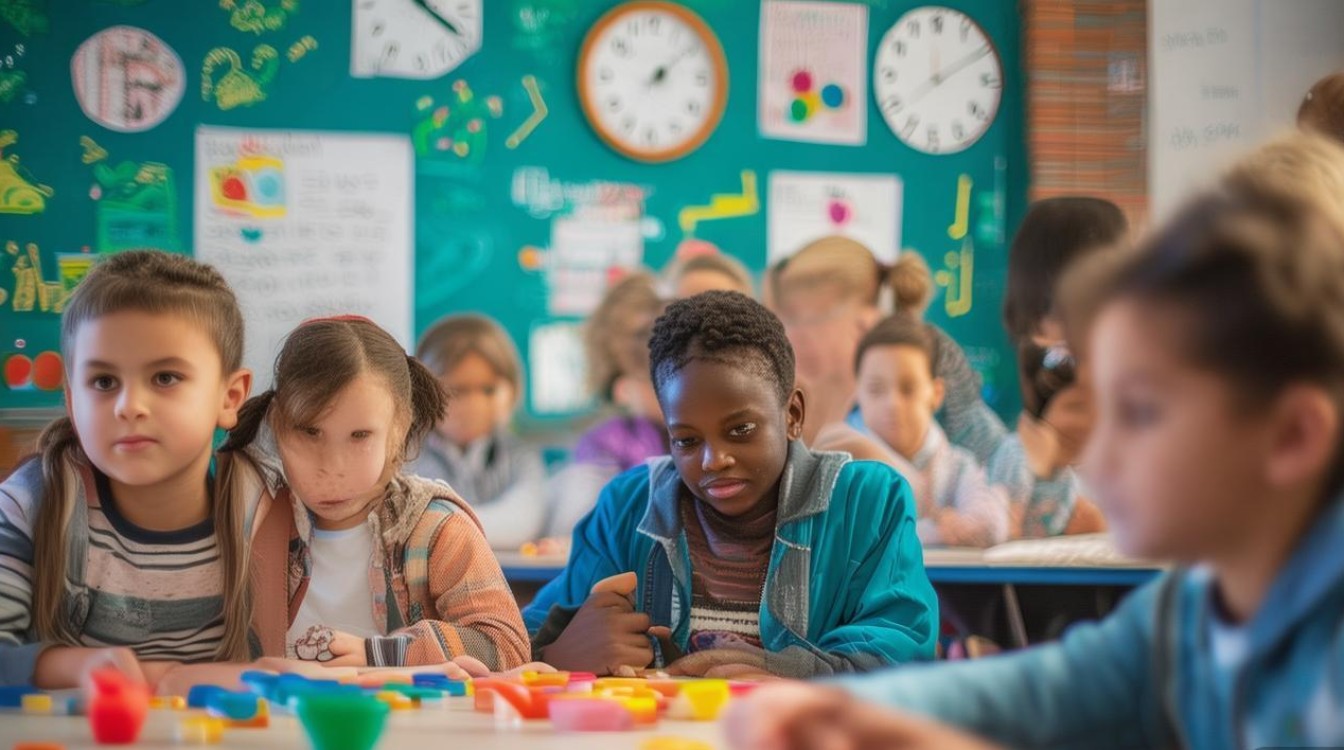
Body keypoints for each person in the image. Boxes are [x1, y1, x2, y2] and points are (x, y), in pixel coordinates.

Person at [726, 132, 1344, 750]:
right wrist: (837, 709)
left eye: (1141, 412)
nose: (1094, 455)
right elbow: (1045, 691)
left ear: (1290, 437)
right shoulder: (1189, 612)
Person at [526, 292, 937, 679]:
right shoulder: (631, 505)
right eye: (686, 440)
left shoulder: (867, 502)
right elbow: (531, 631)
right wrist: (557, 655)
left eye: (740, 429)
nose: (713, 460)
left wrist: (794, 673)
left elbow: (903, 648)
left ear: (792, 414)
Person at [0, 251, 257, 688]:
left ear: (230, 397)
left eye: (165, 378)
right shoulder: (30, 504)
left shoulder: (265, 511)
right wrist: (77, 668)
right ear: (71, 401)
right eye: (103, 382)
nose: (129, 407)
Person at [220, 316, 531, 670]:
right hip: (280, 722)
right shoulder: (254, 520)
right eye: (309, 432)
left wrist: (380, 654)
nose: (332, 466)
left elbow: (505, 645)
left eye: (359, 436)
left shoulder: (437, 529)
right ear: (276, 424)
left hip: (411, 725)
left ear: (399, 430)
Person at [855, 315, 1009, 547]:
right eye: (876, 389)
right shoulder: (842, 465)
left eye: (908, 389)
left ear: (936, 393)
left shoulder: (959, 467)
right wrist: (940, 524)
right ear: (858, 393)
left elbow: (989, 527)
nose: (892, 404)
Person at [410, 314, 547, 550]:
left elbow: (523, 521)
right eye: (457, 390)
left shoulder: (520, 455)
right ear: (424, 392)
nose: (474, 406)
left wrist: (439, 528)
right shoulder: (405, 455)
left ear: (511, 390)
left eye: (488, 390)